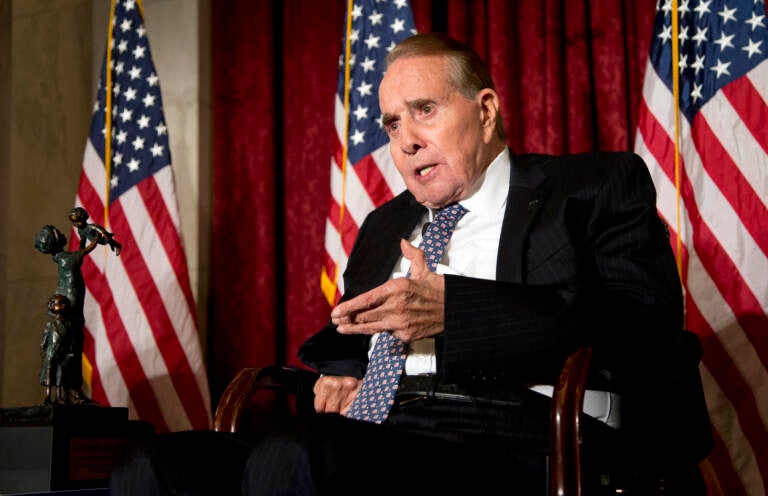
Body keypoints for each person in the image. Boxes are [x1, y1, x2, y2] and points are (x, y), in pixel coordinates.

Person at [111, 33, 712, 495]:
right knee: (155, 466)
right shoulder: (385, 225)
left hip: (520, 437)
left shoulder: (591, 187)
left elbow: (644, 320)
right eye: (393, 123)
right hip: (383, 428)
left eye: (424, 110)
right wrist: (344, 371)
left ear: (485, 109)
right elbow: (355, 332)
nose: (405, 140)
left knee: (298, 455)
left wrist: (459, 312)